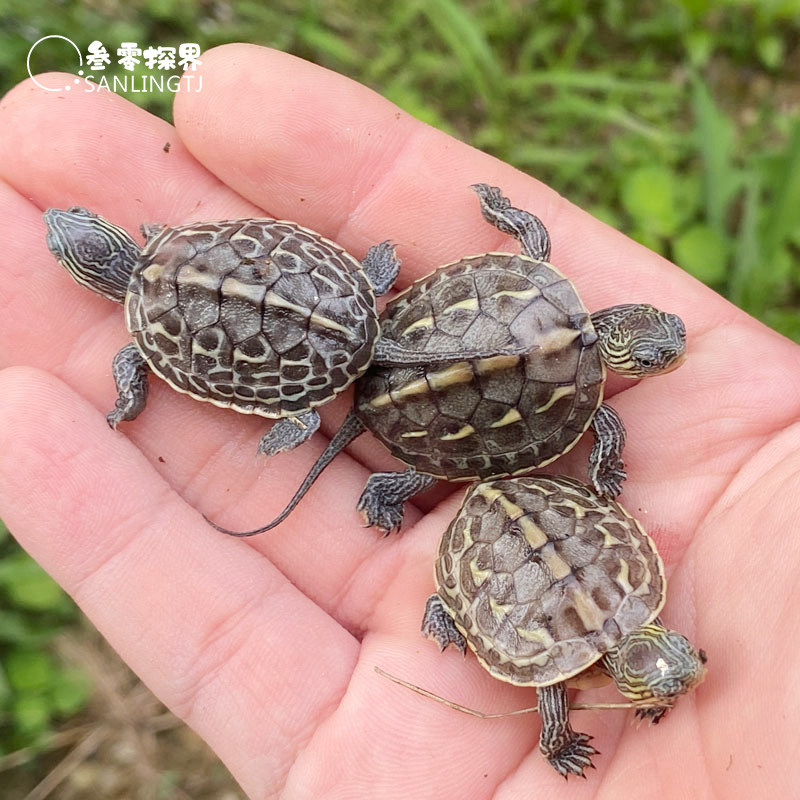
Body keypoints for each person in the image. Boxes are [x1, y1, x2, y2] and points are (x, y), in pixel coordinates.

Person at [0, 44, 797, 798]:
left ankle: (342, 427)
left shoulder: (542, 290)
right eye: (652, 353)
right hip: (388, 347)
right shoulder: (588, 416)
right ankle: (339, 419)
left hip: (403, 354)